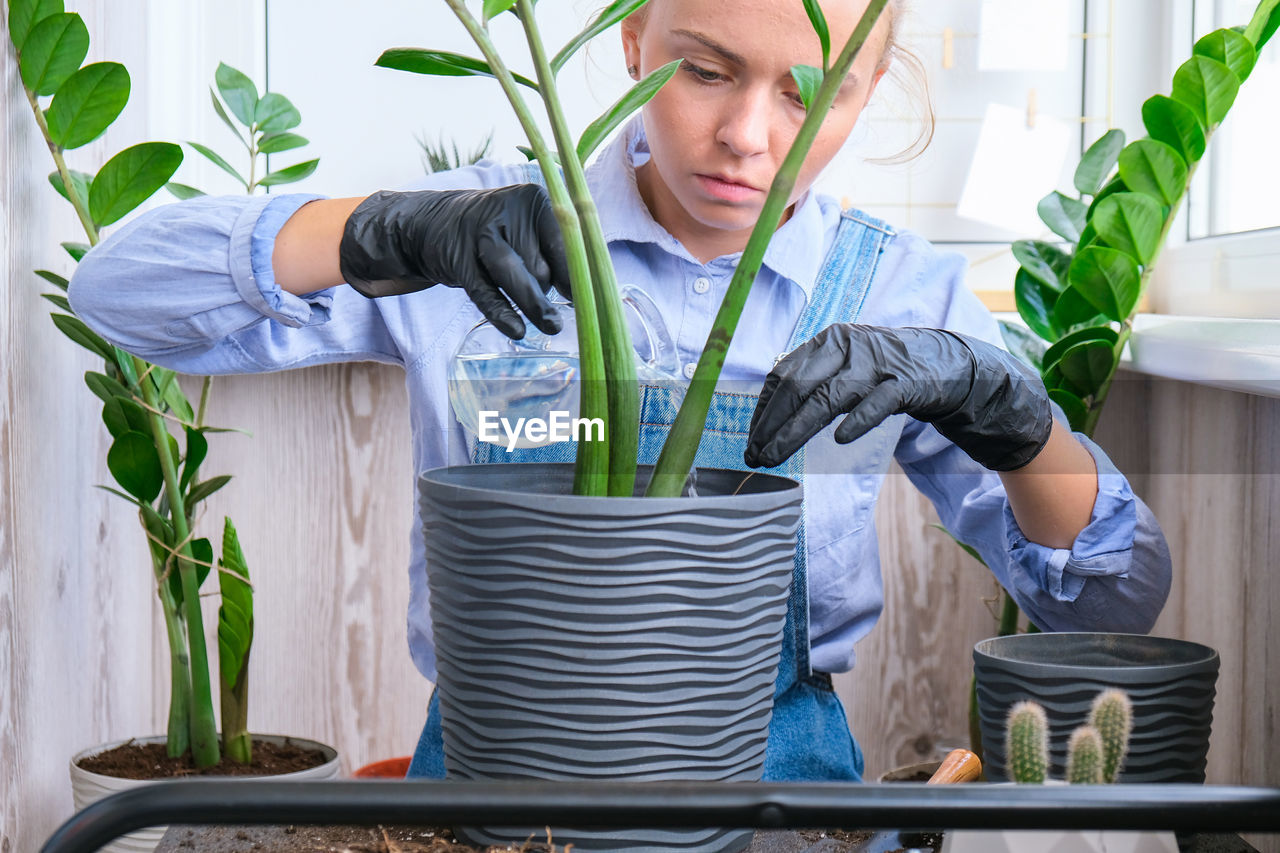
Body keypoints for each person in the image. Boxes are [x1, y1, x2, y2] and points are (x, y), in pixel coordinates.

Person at [68, 0, 1172, 782]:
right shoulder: (481, 238)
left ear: (869, 90)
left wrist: (1016, 423)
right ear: (631, 36)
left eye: (809, 94)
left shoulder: (901, 293)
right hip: (491, 782)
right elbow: (118, 294)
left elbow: (1111, 602)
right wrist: (377, 230)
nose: (748, 135)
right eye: (702, 69)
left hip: (776, 793)